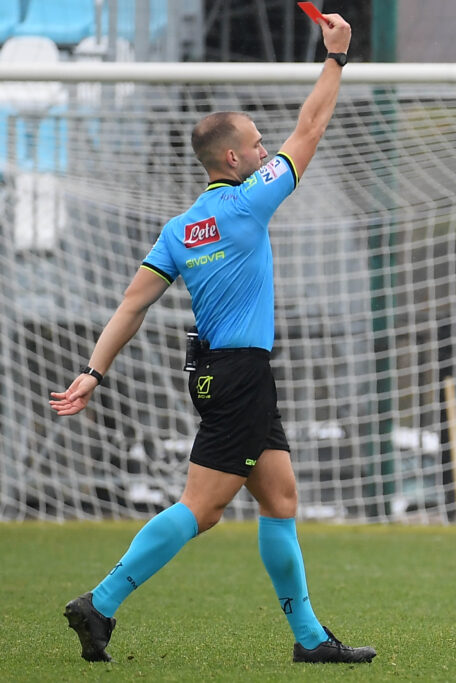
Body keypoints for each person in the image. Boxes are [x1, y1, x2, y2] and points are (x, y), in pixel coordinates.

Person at [48, 12, 375, 666]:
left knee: (280, 496)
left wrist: (94, 369)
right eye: (257, 144)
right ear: (234, 159)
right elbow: (310, 128)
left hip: (213, 373)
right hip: (242, 376)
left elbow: (131, 305)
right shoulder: (249, 200)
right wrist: (335, 58)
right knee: (202, 508)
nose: (264, 151)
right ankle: (101, 601)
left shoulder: (181, 227)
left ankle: (310, 637)